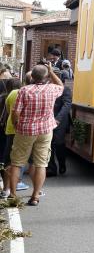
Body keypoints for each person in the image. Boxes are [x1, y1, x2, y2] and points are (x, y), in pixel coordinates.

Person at [8, 63, 63, 205]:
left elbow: (16, 112)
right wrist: (51, 71)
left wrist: (15, 123)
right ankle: (35, 197)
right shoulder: (52, 89)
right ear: (46, 76)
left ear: (32, 76)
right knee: (41, 164)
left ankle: (13, 196)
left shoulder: (24, 90)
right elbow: (61, 85)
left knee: (17, 162)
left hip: (25, 130)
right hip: (45, 131)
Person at [46, 71, 72, 176]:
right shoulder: (47, 88)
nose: (50, 79)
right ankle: (52, 169)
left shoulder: (65, 89)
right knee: (49, 144)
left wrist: (58, 119)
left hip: (60, 121)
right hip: (48, 120)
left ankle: (62, 163)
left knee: (59, 143)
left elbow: (67, 105)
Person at [1, 78, 22, 197]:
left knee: (8, 159)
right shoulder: (23, 93)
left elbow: (9, 112)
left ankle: (6, 189)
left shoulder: (8, 95)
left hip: (9, 129)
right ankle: (16, 185)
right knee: (18, 160)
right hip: (22, 130)